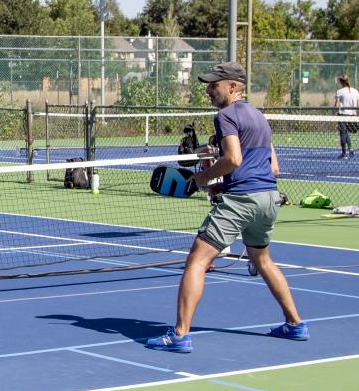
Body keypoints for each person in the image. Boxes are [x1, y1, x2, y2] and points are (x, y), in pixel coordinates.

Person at [145, 62, 308, 353]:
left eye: (214, 85)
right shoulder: (259, 117)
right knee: (263, 261)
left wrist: (203, 178)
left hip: (243, 201)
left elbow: (233, 159)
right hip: (268, 198)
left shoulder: (226, 116)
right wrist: (224, 185)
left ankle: (180, 335)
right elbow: (273, 168)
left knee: (197, 259)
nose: (208, 90)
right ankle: (295, 324)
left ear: (233, 86)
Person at [333, 75, 358, 159]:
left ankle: (344, 153)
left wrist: (333, 114)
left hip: (343, 115)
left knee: (343, 134)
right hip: (353, 115)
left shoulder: (339, 91)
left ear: (341, 82)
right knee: (346, 133)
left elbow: (336, 105)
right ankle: (350, 150)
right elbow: (358, 105)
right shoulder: (356, 91)